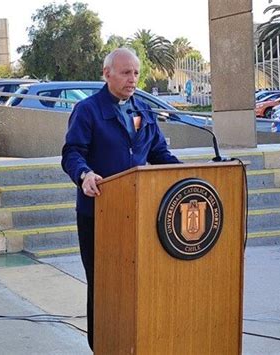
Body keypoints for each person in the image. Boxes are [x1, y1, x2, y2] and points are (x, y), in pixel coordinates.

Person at [61, 47, 180, 350]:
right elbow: (72, 152)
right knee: (103, 283)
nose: (132, 79)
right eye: (126, 72)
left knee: (138, 280)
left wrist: (188, 173)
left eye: (136, 73)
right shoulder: (87, 110)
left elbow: (158, 154)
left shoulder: (144, 110)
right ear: (107, 73)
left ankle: (135, 340)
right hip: (99, 211)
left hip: (141, 212)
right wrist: (84, 174)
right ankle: (101, 344)